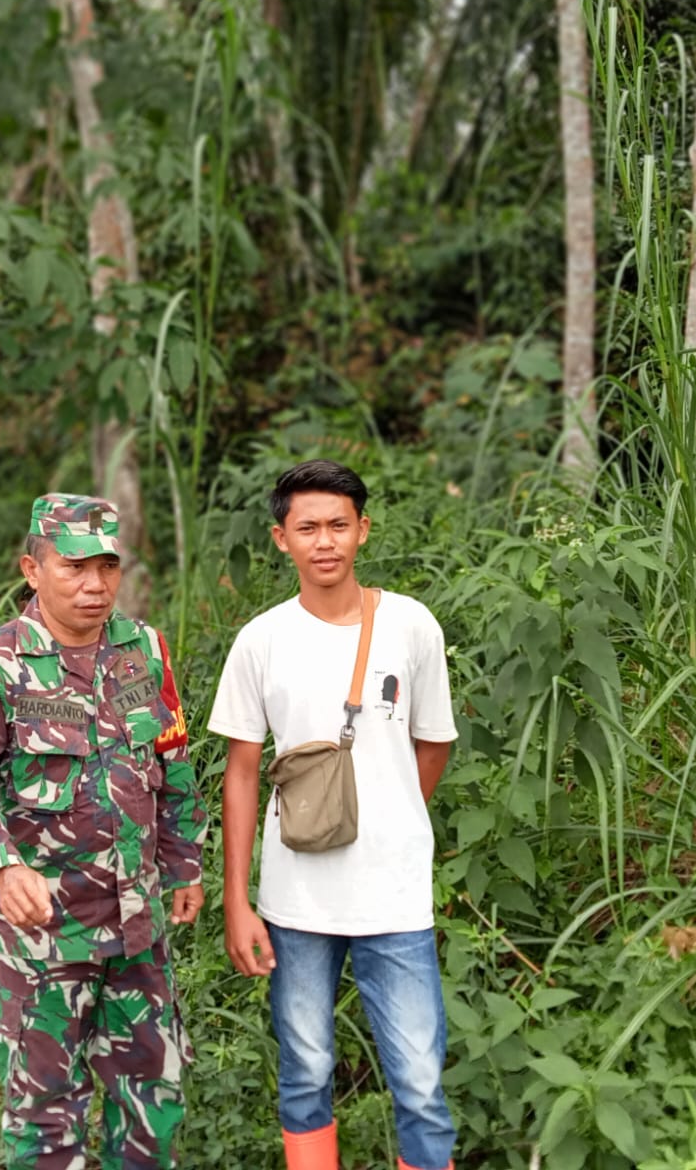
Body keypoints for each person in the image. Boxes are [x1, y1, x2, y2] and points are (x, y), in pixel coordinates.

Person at [0, 494, 208, 1170]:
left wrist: (184, 862)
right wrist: (1, 867)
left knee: (153, 1105)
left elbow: (170, 759)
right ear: (33, 568)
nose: (95, 585)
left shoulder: (143, 650)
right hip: (44, 939)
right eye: (75, 566)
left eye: (108, 567)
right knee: (45, 1121)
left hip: (138, 928)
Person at [208, 460, 459, 1170]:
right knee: (305, 1074)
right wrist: (238, 901)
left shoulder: (411, 626)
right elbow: (242, 773)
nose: (325, 541)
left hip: (396, 896)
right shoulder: (261, 640)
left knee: (419, 1080)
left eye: (339, 525)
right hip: (294, 901)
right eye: (308, 527)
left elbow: (434, 744)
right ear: (280, 538)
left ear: (364, 531)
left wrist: (388, 816)